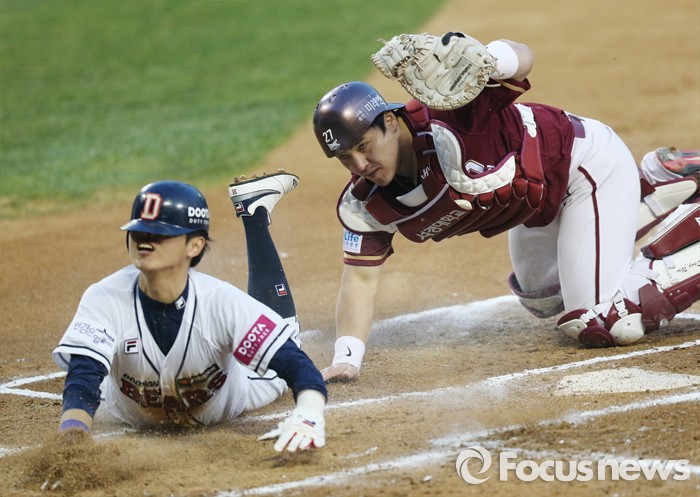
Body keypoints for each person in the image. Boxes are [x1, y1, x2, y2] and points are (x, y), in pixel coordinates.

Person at [311, 32, 700, 382]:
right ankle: (657, 183)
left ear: (391, 122)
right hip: (542, 207)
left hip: (586, 168)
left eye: (363, 146)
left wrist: (491, 60)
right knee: (545, 297)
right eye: (345, 157)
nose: (359, 164)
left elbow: (524, 56)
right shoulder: (366, 205)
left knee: (603, 320)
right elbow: (359, 280)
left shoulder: (451, 114)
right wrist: (347, 357)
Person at [52, 173, 327, 453]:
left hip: (232, 397)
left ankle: (254, 213)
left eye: (160, 234)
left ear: (195, 245)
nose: (145, 240)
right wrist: (71, 440)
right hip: (127, 408)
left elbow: (298, 366)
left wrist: (309, 414)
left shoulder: (219, 301)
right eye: (139, 231)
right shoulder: (105, 297)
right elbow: (83, 377)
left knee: (287, 340)